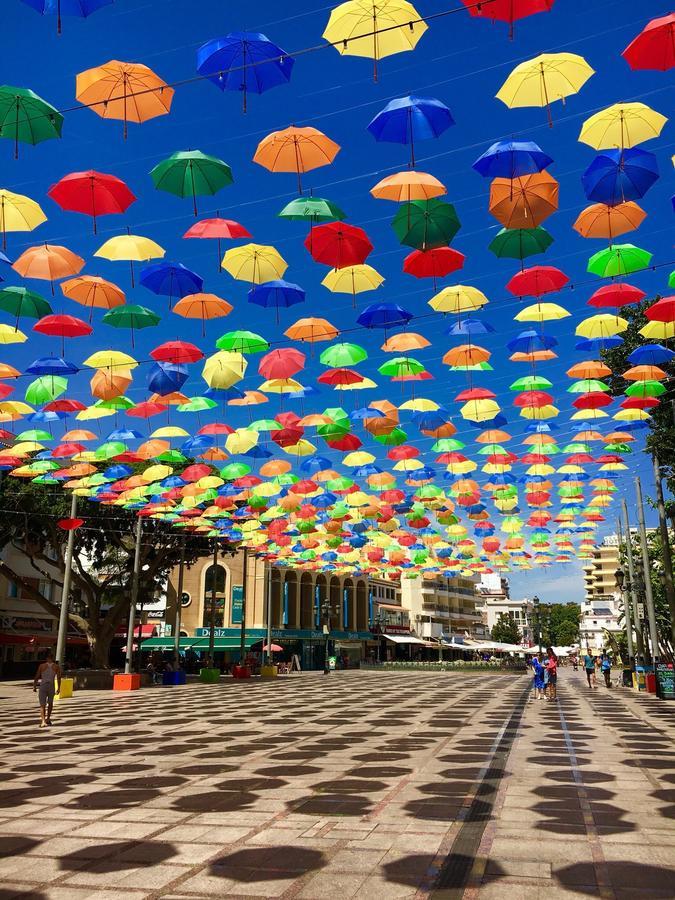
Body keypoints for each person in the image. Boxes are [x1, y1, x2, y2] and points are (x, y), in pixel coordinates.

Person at [33, 651, 61, 728]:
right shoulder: (56, 666)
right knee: (50, 703)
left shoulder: (42, 666)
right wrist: (59, 688)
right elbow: (58, 678)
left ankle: (43, 721)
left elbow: (37, 676)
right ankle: (48, 718)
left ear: (46, 658)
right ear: (52, 658)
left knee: (42, 704)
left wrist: (35, 686)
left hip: (43, 686)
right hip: (51, 686)